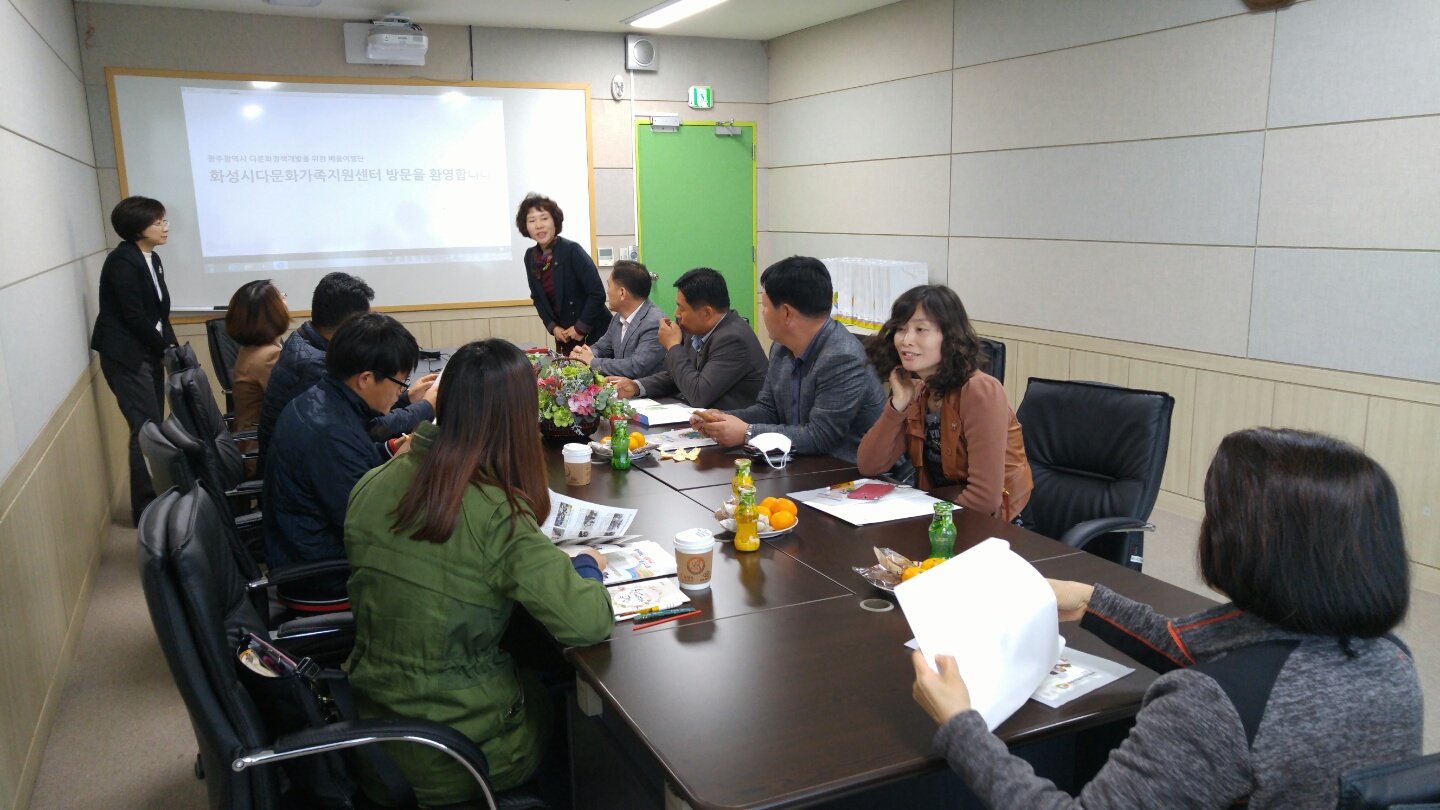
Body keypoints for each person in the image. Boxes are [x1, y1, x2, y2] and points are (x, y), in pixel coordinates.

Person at [911, 428, 1422, 809]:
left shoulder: (1211, 709)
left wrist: (961, 726)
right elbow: (1247, 661)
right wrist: (1091, 602)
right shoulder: (1393, 664)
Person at [344, 339, 613, 806]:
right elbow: (587, 621)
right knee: (567, 696)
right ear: (517, 418)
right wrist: (587, 565)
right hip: (460, 751)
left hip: (374, 732)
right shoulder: (495, 512)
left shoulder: (372, 482)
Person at [262, 312, 422, 609]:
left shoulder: (322, 399)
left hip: (309, 547)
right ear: (365, 379)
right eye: (400, 382)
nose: (401, 391)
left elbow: (353, 463)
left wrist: (390, 448)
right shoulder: (330, 433)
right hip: (324, 577)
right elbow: (376, 528)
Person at [856, 285, 1032, 521]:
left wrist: (926, 523)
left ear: (949, 336)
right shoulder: (917, 391)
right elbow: (869, 465)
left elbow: (985, 499)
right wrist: (898, 404)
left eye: (920, 329)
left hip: (995, 526)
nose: (906, 340)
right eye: (901, 329)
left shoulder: (980, 391)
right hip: (946, 515)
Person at [690, 256, 885, 464]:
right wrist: (721, 419)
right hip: (804, 463)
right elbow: (767, 410)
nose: (762, 313)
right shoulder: (781, 348)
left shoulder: (842, 357)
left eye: (764, 307)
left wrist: (747, 433)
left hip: (852, 471)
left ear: (786, 313)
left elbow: (821, 435)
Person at [257, 271, 436, 474]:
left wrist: (406, 399)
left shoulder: (303, 340)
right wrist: (426, 407)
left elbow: (359, 428)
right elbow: (369, 430)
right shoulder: (315, 368)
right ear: (349, 326)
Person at [91, 196, 179, 525]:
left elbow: (158, 313)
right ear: (138, 227)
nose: (164, 227)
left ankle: (155, 499)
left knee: (152, 424)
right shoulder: (122, 261)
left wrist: (171, 347)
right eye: (158, 222)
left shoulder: (150, 259)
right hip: (126, 355)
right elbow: (134, 318)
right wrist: (163, 350)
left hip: (145, 349)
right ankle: (145, 509)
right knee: (145, 428)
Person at [607, 267, 768, 410]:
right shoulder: (696, 330)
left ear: (707, 313)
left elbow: (698, 394)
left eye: (681, 308)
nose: (676, 314)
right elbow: (677, 375)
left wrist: (673, 346)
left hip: (732, 427)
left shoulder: (733, 340)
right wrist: (636, 386)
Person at [517, 193, 608, 354]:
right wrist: (553, 327)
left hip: (595, 334)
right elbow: (537, 298)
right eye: (532, 220)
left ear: (555, 221)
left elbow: (597, 294)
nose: (539, 225)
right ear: (526, 227)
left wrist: (580, 327)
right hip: (565, 335)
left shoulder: (571, 250)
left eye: (544, 218)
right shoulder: (530, 256)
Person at [224, 280, 289, 476]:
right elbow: (291, 406)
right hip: (262, 453)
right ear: (271, 313)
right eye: (281, 298)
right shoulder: (268, 356)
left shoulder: (252, 349)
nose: (285, 301)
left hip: (253, 444)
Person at [569, 260, 664, 378]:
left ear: (622, 292)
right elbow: (601, 347)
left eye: (609, 285)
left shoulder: (654, 322)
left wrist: (592, 362)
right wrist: (582, 355)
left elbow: (635, 367)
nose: (607, 291)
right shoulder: (618, 318)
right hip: (623, 390)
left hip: (650, 395)